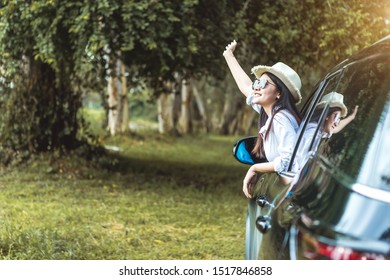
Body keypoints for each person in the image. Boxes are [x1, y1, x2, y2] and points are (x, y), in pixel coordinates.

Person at [223, 40, 302, 198]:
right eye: (258, 81)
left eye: (264, 83)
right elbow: (246, 87)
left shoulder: (281, 119)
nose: (257, 86)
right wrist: (229, 56)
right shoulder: (272, 113)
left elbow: (288, 161)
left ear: (278, 93)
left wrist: (255, 168)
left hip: (292, 194)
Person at [296, 91, 359, 167]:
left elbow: (336, 128)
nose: (336, 123)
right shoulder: (310, 134)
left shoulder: (318, 129)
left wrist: (351, 117)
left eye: (338, 119)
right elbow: (289, 165)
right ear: (326, 115)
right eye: (335, 117)